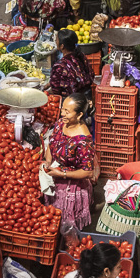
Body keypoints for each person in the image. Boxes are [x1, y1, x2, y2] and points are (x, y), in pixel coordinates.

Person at [42, 92, 98, 230]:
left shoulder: (83, 140)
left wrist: (62, 175)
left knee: (67, 226)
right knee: (52, 221)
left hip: (73, 186)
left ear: (79, 115)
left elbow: (87, 172)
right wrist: (47, 162)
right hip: (55, 173)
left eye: (67, 111)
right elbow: (52, 143)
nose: (62, 114)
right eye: (62, 109)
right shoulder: (61, 124)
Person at [50, 31, 95, 97]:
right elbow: (90, 75)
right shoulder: (81, 56)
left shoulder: (60, 66)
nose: (55, 42)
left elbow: (55, 90)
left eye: (56, 40)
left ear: (62, 46)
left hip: (72, 100)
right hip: (87, 95)